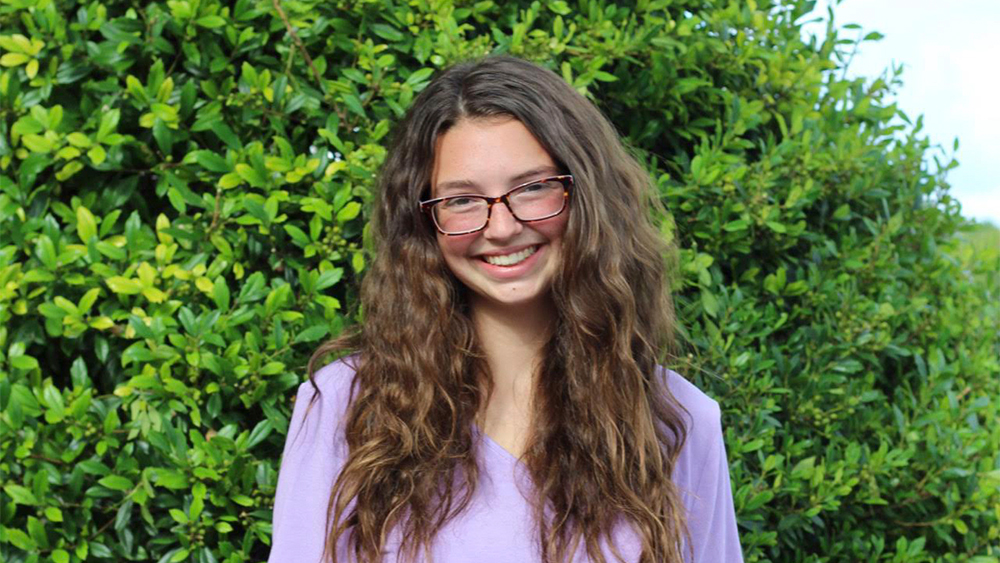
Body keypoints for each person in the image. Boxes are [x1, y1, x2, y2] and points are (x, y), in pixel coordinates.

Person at [268, 55, 743, 563]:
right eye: (462, 200)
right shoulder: (347, 407)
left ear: (586, 194)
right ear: (424, 222)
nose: (501, 227)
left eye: (534, 187)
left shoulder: (678, 422)